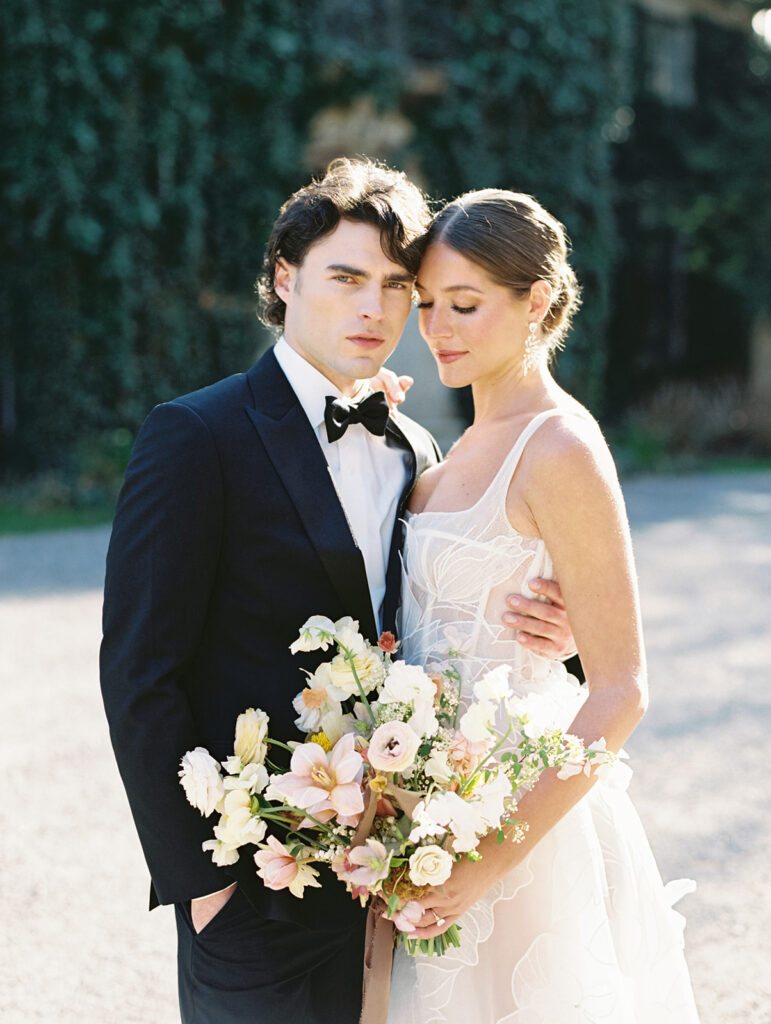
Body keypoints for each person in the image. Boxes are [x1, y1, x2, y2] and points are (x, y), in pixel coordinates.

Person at [99, 160, 576, 1024]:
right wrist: (203, 887)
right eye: (347, 278)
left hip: (395, 875)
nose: (375, 309)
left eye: (399, 286)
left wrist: (555, 628)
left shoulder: (417, 450)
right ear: (286, 278)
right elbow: (138, 673)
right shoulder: (194, 435)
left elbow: (446, 617)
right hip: (251, 884)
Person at [386, 189, 700, 1023]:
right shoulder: (444, 452)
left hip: (518, 830)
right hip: (423, 808)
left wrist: (486, 861)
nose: (437, 328)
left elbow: (621, 689)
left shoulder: (558, 445)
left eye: (464, 304)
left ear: (537, 301)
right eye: (425, 305)